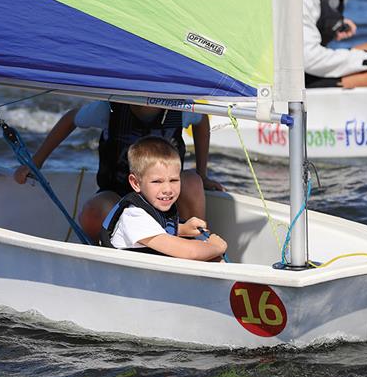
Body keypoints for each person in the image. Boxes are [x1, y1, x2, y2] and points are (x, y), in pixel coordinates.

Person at [13, 101, 224, 243]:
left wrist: (202, 172)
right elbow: (71, 118)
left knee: (193, 181)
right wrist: (36, 162)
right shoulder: (110, 108)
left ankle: (197, 242)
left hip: (165, 195)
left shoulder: (178, 108)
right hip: (119, 194)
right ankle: (98, 253)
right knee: (94, 211)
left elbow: (201, 119)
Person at [99, 137, 227, 261]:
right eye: (157, 181)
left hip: (150, 275)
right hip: (130, 278)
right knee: (210, 254)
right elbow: (190, 252)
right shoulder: (134, 217)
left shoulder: (154, 207)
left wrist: (182, 229)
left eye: (174, 180)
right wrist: (216, 247)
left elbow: (159, 227)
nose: (167, 189)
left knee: (212, 257)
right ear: (136, 183)